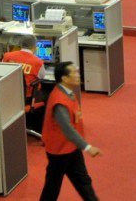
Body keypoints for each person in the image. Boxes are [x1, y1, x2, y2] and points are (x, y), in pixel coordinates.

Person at [40, 61, 101, 201]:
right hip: (59, 151)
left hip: (71, 147)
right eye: (74, 73)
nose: (78, 75)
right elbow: (67, 129)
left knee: (83, 181)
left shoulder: (68, 92)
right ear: (64, 78)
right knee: (52, 187)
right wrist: (87, 147)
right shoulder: (59, 101)